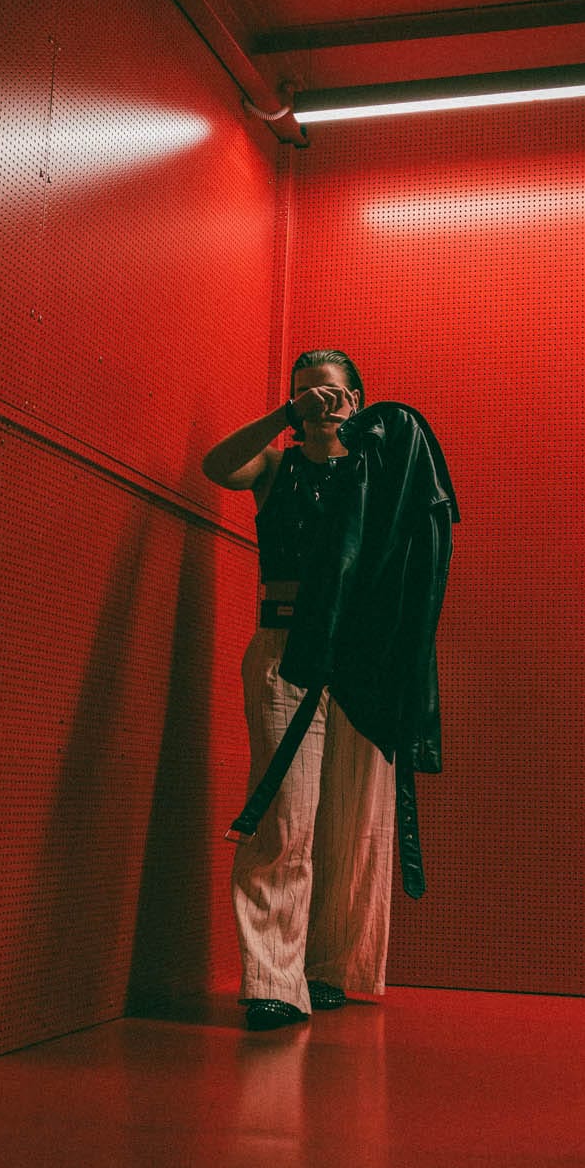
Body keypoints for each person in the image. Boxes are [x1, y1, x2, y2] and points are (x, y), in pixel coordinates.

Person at [201, 350, 396, 1029]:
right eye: (305, 393)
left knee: (351, 816)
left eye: (332, 392)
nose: (320, 402)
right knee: (286, 813)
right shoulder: (275, 467)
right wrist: (283, 417)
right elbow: (216, 466)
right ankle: (271, 981)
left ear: (357, 399)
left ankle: (328, 968)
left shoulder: (378, 473)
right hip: (285, 647)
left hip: (361, 654)